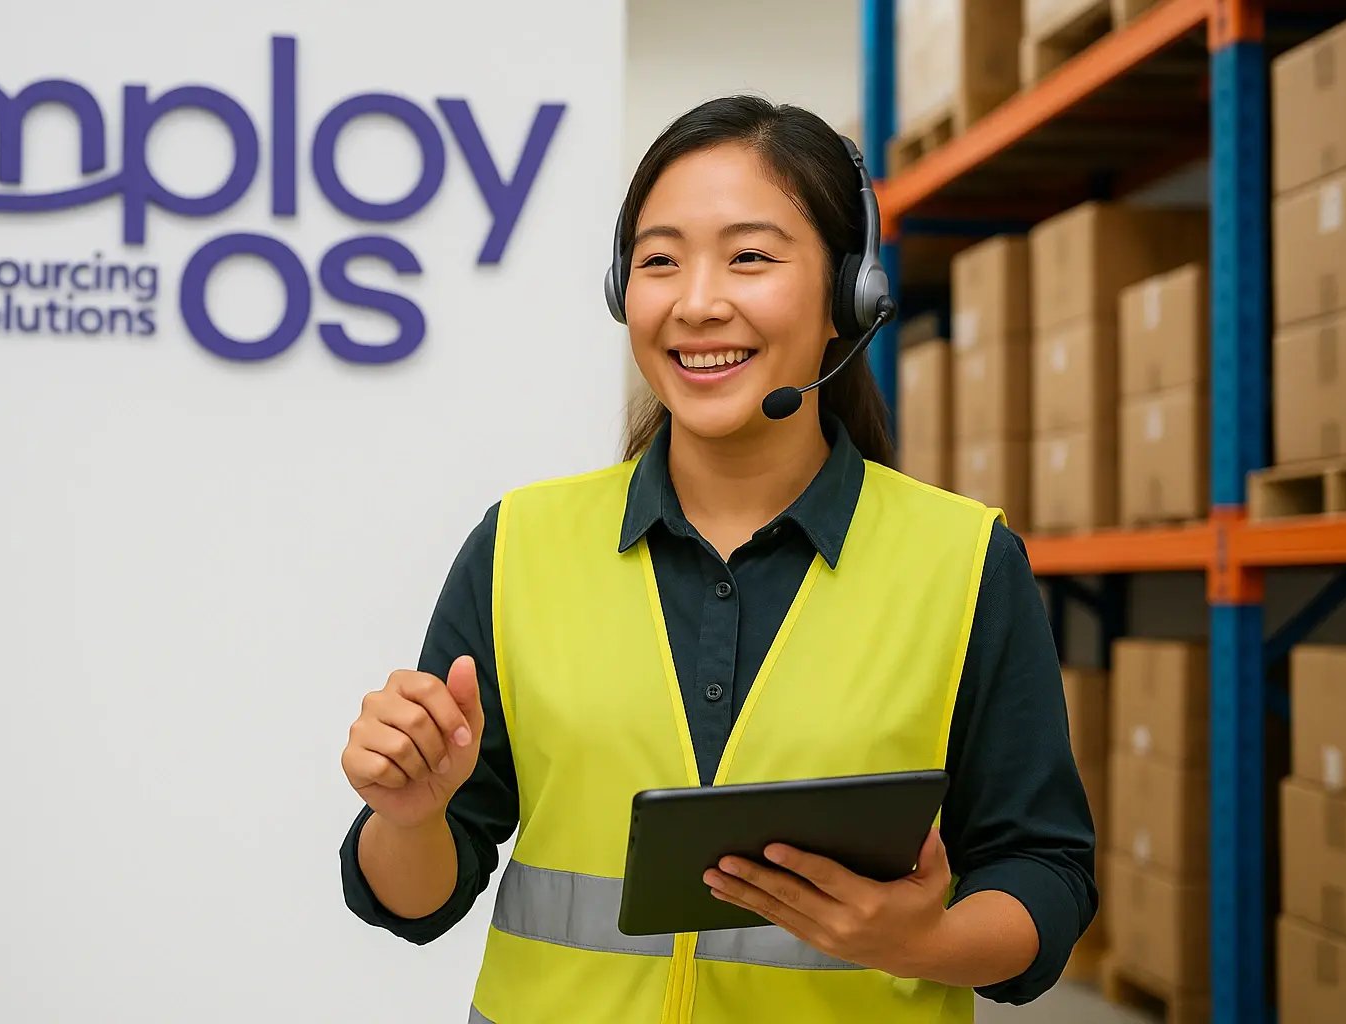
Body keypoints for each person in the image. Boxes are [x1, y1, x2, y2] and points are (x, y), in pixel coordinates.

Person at [339, 95, 1098, 1023]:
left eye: (750, 256)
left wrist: (921, 944)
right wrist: (409, 815)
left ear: (848, 294)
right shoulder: (519, 546)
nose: (697, 303)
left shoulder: (965, 561)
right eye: (659, 260)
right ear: (625, 293)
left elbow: (1045, 871)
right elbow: (415, 900)